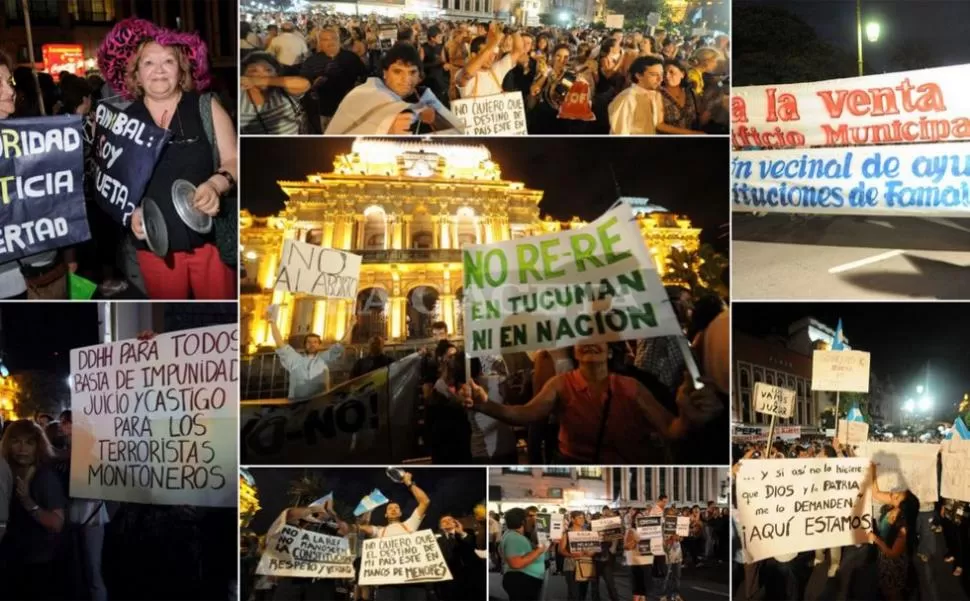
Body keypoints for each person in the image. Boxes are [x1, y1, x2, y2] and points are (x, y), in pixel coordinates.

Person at [99, 18, 237, 299]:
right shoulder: (122, 121)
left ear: (182, 70)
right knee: (170, 315)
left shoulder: (206, 107)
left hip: (208, 242)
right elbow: (113, 184)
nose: (159, 71)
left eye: (168, 62)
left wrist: (215, 185)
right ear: (136, 74)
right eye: (149, 63)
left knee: (219, 319)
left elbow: (234, 160)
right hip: (154, 245)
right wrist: (130, 214)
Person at [460, 342, 722, 463]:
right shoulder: (561, 384)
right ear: (575, 350)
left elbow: (671, 429)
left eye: (599, 340)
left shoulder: (631, 386)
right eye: (583, 339)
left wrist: (687, 416)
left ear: (609, 351)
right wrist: (485, 405)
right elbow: (527, 413)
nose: (591, 343)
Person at [326, 43, 463, 135]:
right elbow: (337, 139)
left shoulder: (423, 96)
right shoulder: (363, 95)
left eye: (412, 72)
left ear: (419, 75)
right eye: (398, 72)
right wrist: (387, 130)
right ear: (385, 72)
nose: (406, 79)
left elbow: (458, 132)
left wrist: (434, 119)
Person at [0, 420, 68, 599]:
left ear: (38, 446)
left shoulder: (45, 477)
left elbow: (57, 523)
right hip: (13, 557)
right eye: (16, 441)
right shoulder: (8, 471)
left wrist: (28, 501)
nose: (22, 448)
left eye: (29, 442)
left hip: (38, 561)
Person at [359, 471, 431, 601]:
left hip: (413, 581)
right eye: (389, 508)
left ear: (401, 512)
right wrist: (368, 508)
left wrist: (409, 483)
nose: (393, 509)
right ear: (385, 514)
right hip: (387, 583)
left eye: (396, 508)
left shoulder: (410, 524)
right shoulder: (379, 531)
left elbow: (425, 502)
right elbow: (362, 527)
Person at [265, 306, 354, 400]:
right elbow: (280, 344)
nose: (312, 344)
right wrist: (272, 322)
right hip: (297, 404)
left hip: (319, 403)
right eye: (309, 342)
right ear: (304, 345)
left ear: (319, 345)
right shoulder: (295, 359)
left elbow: (340, 345)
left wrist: (351, 325)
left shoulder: (324, 359)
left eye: (315, 342)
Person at [301, 26, 367, 132]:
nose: (330, 42)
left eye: (333, 38)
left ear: (339, 40)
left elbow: (364, 78)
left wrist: (355, 88)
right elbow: (303, 87)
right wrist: (314, 85)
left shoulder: (351, 58)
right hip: (325, 111)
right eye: (325, 40)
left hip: (350, 109)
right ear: (320, 43)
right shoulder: (311, 61)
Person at [869, 462, 915, 600]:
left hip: (894, 563)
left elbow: (893, 553)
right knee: (885, 587)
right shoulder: (892, 502)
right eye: (893, 493)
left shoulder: (904, 524)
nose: (892, 495)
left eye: (897, 495)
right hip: (883, 556)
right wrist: (873, 470)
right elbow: (875, 492)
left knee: (893, 592)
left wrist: (875, 539)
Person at [239, 52, 310, 135]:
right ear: (243, 76)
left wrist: (256, 81)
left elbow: (305, 84)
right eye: (253, 71)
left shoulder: (284, 91)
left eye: (268, 70)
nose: (261, 75)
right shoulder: (240, 100)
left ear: (276, 73)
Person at [456, 24, 524, 99]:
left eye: (493, 54)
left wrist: (514, 31)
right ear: (474, 55)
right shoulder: (460, 73)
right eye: (487, 54)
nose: (492, 58)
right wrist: (494, 42)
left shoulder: (496, 70)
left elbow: (518, 51)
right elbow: (468, 73)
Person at [608, 55, 664, 135]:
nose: (660, 79)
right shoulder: (626, 98)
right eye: (654, 74)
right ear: (638, 76)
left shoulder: (656, 95)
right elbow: (619, 133)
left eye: (661, 74)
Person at [500, 507, 547, 601]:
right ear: (523, 521)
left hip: (523, 580)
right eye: (530, 517)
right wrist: (538, 551)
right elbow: (516, 563)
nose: (534, 519)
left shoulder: (513, 535)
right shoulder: (514, 538)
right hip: (522, 581)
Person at [559, 511, 595, 601]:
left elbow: (593, 549)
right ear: (572, 519)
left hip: (585, 565)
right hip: (571, 566)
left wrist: (591, 553)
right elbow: (561, 550)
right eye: (579, 517)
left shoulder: (588, 533)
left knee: (583, 593)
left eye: (583, 517)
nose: (582, 519)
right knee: (573, 593)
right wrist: (571, 554)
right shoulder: (566, 533)